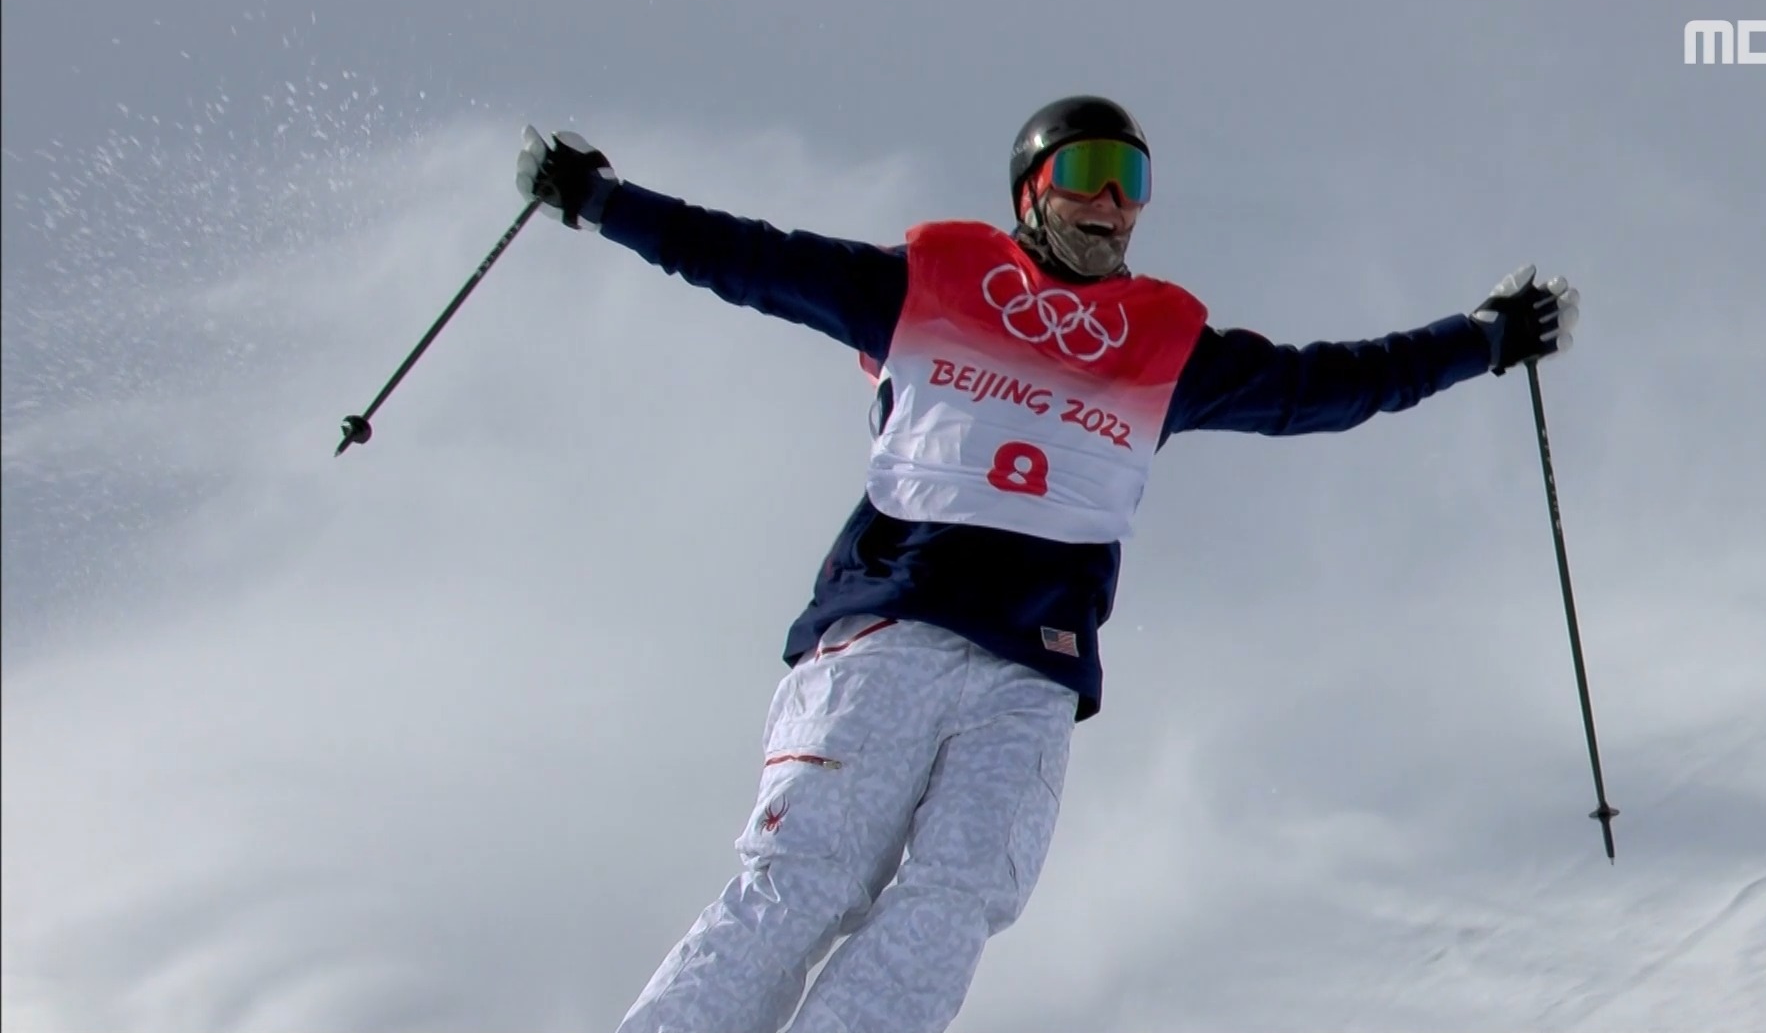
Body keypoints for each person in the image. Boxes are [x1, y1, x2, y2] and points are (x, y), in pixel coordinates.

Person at [514, 95, 1580, 1033]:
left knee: (957, 900)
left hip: (1030, 675)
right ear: (1032, 191)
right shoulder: (923, 288)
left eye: (1134, 181)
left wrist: (1482, 338)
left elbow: (1331, 386)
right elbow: (746, 257)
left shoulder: (1166, 351)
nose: (1111, 200)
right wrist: (599, 199)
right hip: (889, 636)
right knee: (803, 882)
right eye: (1085, 173)